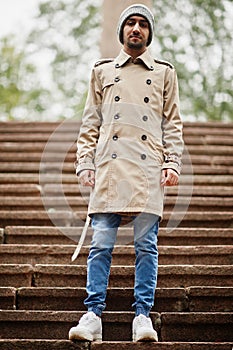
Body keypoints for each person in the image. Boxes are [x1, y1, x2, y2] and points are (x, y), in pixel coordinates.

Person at [69, 3, 184, 343]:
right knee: (101, 244)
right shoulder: (102, 71)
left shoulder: (165, 73)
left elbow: (171, 123)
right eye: (130, 23)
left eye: (142, 24)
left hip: (148, 166)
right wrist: (84, 162)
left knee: (146, 246)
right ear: (122, 32)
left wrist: (172, 161)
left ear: (149, 33)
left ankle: (143, 316)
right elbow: (91, 121)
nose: (136, 28)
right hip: (110, 166)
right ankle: (92, 315)